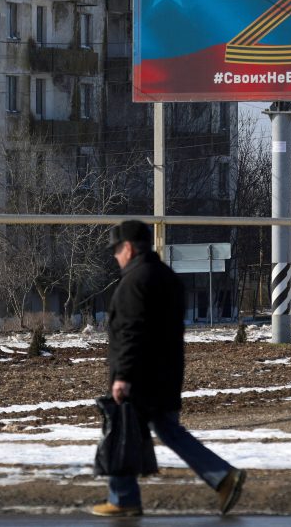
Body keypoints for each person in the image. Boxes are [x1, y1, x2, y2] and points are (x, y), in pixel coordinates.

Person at [92, 220, 246, 517]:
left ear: (128, 247)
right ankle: (223, 477)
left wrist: (122, 376)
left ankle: (123, 498)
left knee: (121, 430)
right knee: (165, 430)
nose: (115, 256)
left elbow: (132, 332)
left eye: (116, 250)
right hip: (166, 373)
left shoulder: (136, 281)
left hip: (140, 377)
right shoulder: (166, 276)